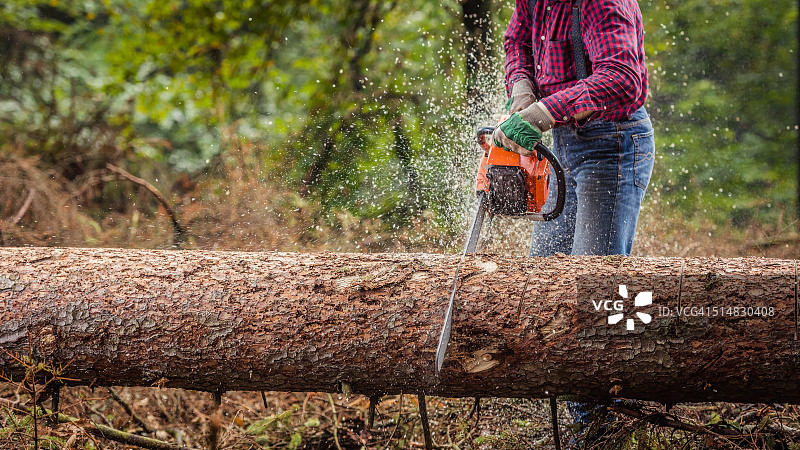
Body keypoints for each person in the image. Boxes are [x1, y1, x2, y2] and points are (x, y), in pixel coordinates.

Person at [492, 0, 655, 443]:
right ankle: (565, 422)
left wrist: (543, 113)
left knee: (592, 293)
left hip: (612, 145)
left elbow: (623, 79)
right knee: (548, 283)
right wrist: (524, 90)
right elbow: (516, 40)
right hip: (563, 144)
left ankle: (599, 430)